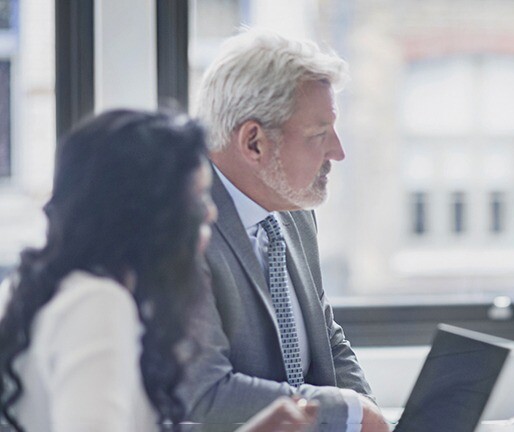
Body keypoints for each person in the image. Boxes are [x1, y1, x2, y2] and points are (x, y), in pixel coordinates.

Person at [0, 110, 316, 431]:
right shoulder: (97, 304)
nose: (210, 213)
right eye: (197, 197)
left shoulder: (58, 289)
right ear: (148, 212)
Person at [181, 28, 387, 431]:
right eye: (318, 134)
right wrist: (347, 413)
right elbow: (205, 394)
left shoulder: (292, 208)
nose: (338, 151)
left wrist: (368, 412)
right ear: (254, 142)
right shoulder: (180, 232)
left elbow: (327, 340)